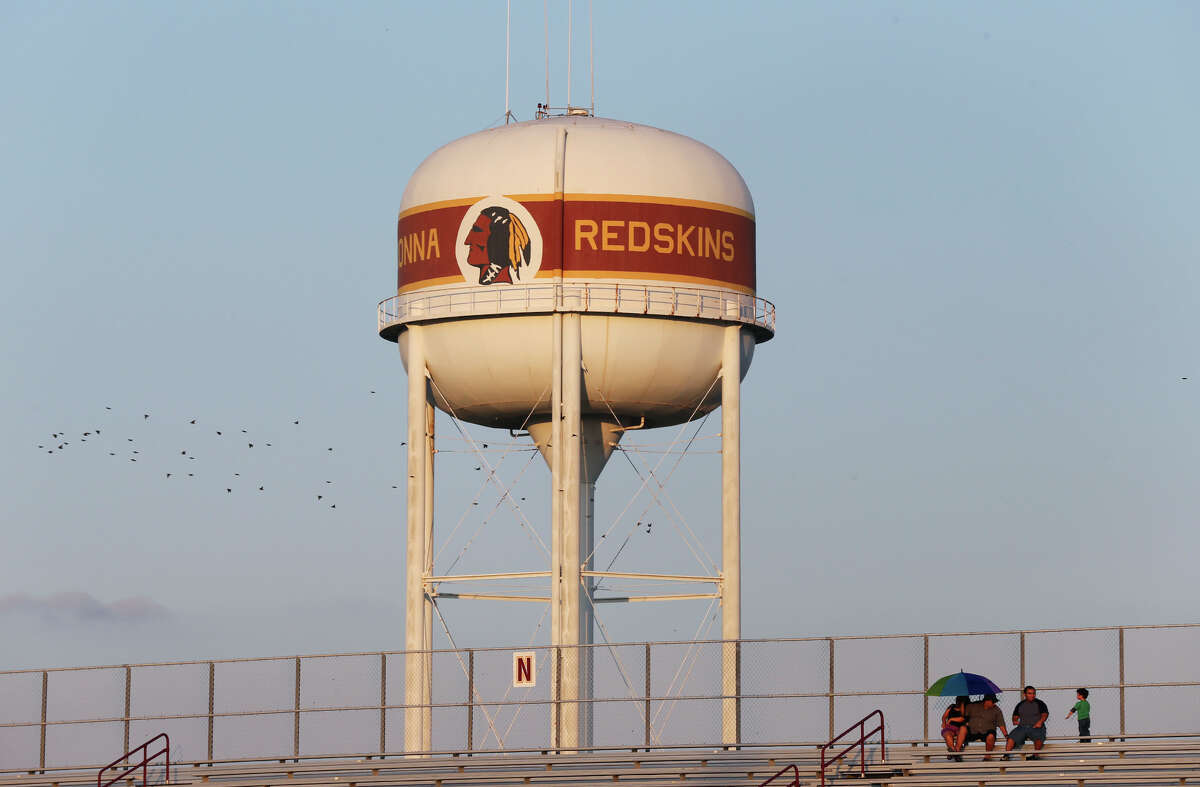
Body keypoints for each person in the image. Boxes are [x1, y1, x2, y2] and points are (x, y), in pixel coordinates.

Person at [1005, 685, 1049, 759]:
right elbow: (1015, 716)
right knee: (1011, 738)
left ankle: (1036, 755)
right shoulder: (1020, 704)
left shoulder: (1040, 703)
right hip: (1022, 727)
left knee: (1039, 736)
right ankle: (1006, 755)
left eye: (1033, 693)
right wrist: (1015, 720)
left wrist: (1040, 722)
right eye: (1029, 693)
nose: (1032, 695)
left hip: (1035, 727)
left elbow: (1045, 714)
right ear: (1024, 694)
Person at [960, 693, 1008, 759]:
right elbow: (963, 714)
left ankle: (987, 756)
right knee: (963, 728)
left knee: (991, 736)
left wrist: (1006, 735)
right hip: (973, 731)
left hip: (987, 731)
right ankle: (956, 752)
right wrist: (962, 702)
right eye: (993, 701)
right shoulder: (973, 705)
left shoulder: (997, 710)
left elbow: (1001, 724)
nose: (994, 703)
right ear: (987, 701)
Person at [940, 695, 969, 760]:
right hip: (950, 727)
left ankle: (952, 753)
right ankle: (954, 752)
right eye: (957, 700)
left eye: (960, 701)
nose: (957, 702)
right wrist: (944, 723)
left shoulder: (965, 710)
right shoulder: (952, 706)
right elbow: (944, 716)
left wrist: (951, 719)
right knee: (948, 735)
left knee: (961, 733)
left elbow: (962, 718)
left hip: (960, 728)